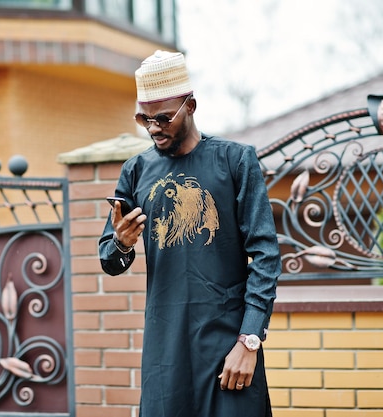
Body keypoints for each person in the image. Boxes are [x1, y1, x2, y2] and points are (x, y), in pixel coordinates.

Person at [98, 50, 281, 417]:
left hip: (229, 343)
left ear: (191, 105)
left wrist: (249, 341)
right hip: (165, 353)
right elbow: (110, 261)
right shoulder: (135, 171)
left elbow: (265, 254)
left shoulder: (234, 161)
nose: (153, 128)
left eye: (163, 117)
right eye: (143, 118)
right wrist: (121, 243)